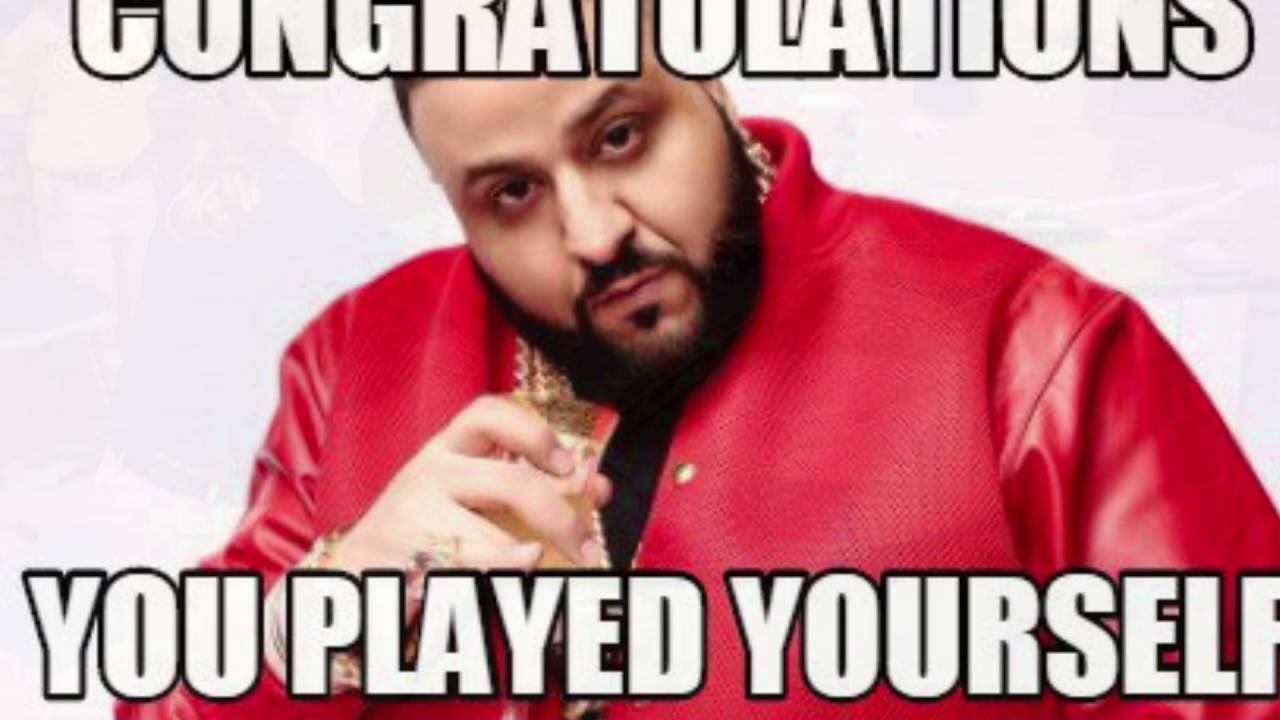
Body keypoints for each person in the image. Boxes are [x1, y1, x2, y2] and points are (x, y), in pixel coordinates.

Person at [118, 5, 1280, 719]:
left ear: (710, 81)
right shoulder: (354, 357)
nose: (591, 232)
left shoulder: (1026, 350)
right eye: (509, 193)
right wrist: (314, 628)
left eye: (620, 135)